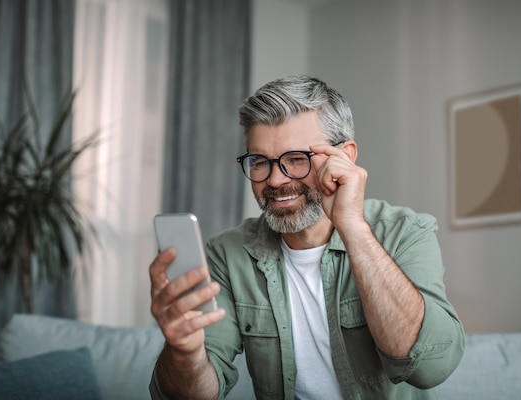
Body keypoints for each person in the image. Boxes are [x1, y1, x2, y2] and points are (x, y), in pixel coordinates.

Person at [149, 75, 465, 400]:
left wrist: (352, 226)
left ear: (345, 157)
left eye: (296, 159)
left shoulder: (406, 232)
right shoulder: (227, 254)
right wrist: (184, 353)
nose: (274, 179)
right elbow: (194, 395)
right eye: (259, 162)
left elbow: (430, 367)